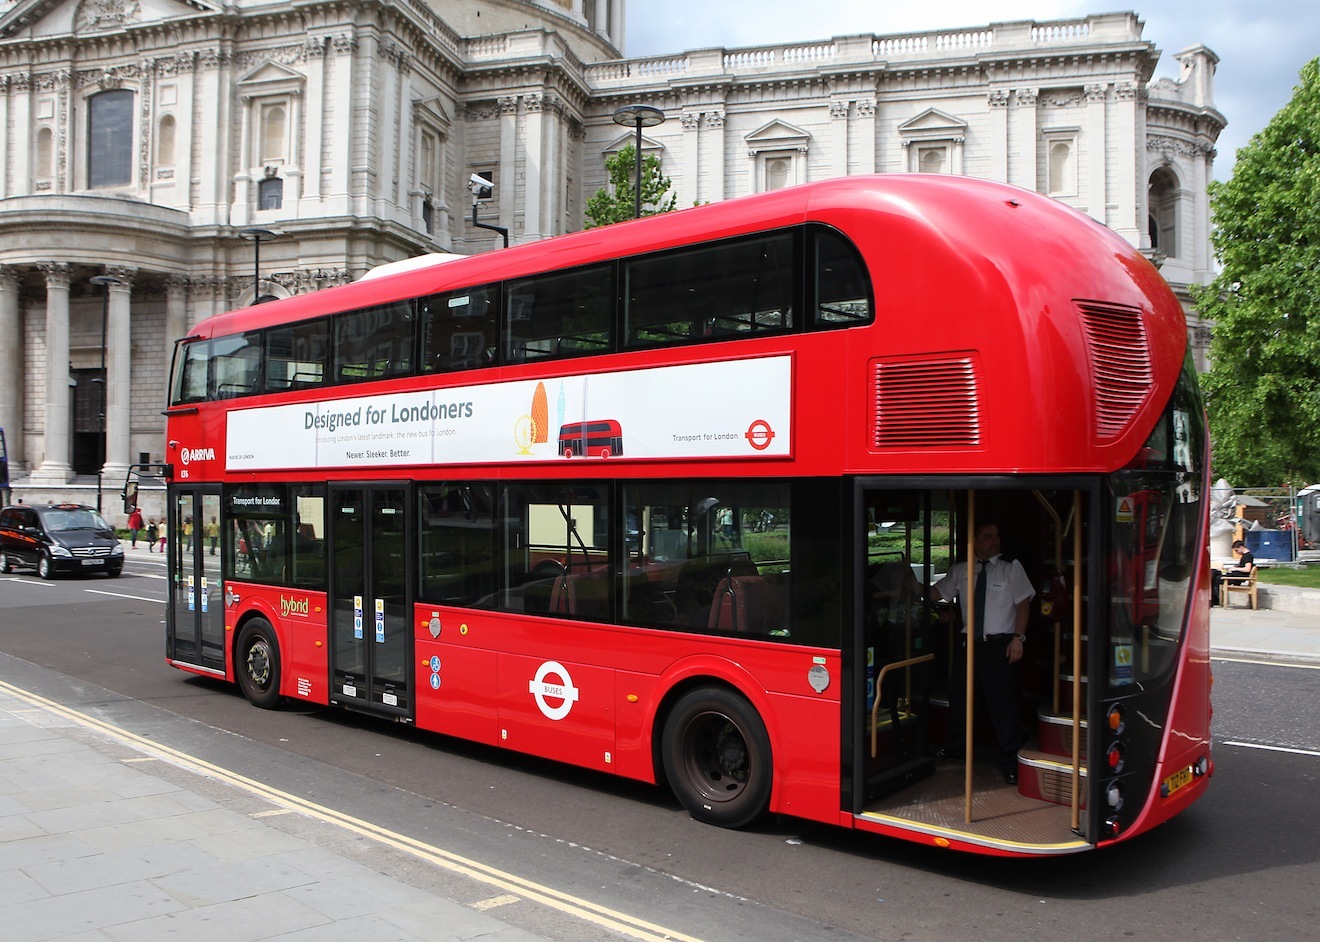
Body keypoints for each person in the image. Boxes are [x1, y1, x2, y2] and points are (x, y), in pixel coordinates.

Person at [931, 521, 1035, 784]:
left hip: (1000, 645)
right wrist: (909, 584)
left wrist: (1018, 639)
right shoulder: (962, 570)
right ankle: (956, 748)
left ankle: (1011, 760)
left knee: (1002, 704)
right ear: (974, 540)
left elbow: (1023, 605)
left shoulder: (1011, 568)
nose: (994, 541)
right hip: (970, 645)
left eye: (997, 536)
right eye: (988, 536)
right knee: (960, 696)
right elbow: (937, 593)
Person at [1211, 539, 1255, 606]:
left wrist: (1236, 568)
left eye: (1236, 550)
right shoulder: (1246, 556)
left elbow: (1247, 569)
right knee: (1214, 573)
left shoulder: (1247, 556)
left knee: (1215, 578)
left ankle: (1215, 599)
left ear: (1241, 547)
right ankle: (1215, 599)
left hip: (1237, 578)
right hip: (1235, 576)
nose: (1236, 552)